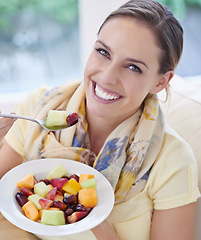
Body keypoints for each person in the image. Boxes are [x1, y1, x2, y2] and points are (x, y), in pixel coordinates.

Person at [0, 0, 200, 239]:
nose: (107, 77)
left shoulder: (173, 160)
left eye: (133, 67)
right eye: (103, 52)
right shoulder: (38, 108)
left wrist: (92, 218)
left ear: (160, 82)